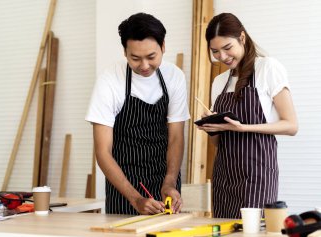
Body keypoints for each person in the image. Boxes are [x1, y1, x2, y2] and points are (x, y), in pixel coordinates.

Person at [86, 12, 190, 216]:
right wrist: (135, 199)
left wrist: (169, 183)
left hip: (165, 179)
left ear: (163, 47)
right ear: (125, 52)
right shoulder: (110, 80)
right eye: (135, 58)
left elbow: (176, 137)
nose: (144, 66)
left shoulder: (174, 77)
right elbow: (103, 151)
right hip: (124, 185)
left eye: (151, 57)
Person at [198, 13, 298, 218]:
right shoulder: (219, 82)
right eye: (215, 51)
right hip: (224, 177)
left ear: (242, 38)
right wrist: (211, 126)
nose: (222, 57)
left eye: (227, 48)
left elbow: (291, 125)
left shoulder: (267, 68)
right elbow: (218, 143)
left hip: (257, 174)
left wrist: (244, 127)